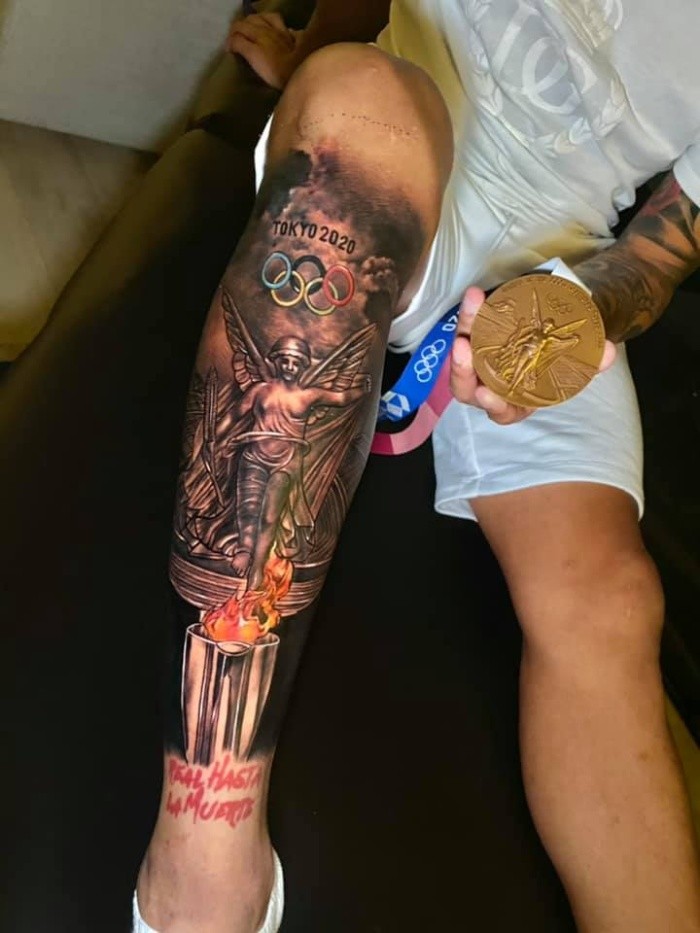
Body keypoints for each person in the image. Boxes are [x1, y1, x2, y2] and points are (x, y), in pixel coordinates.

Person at [135, 2, 700, 931]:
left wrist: (575, 319)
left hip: (559, 263)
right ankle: (206, 858)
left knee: (609, 602)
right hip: (387, 143)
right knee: (362, 100)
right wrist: (313, 56)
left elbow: (663, 249)